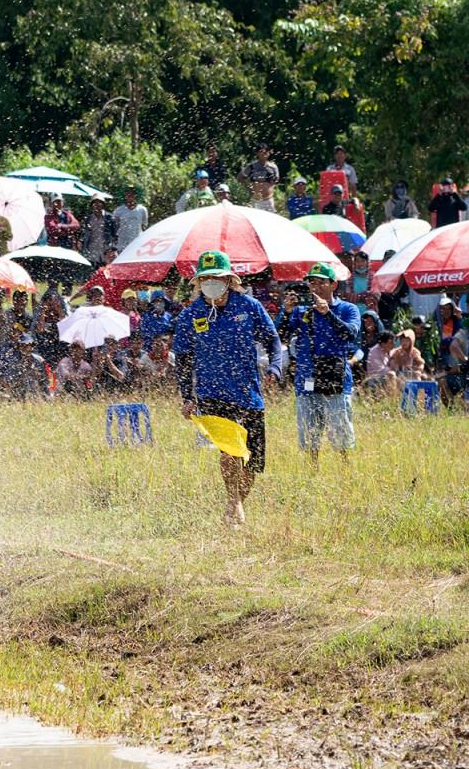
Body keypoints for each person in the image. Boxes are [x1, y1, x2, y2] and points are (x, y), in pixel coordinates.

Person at [173, 250, 283, 527]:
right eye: (205, 278)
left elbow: (273, 341)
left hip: (248, 394)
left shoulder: (249, 307)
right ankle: (233, 502)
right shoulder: (191, 314)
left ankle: (233, 507)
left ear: (230, 280)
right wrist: (187, 396)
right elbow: (183, 360)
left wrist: (275, 368)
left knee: (252, 461)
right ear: (198, 282)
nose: (211, 282)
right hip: (212, 395)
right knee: (229, 451)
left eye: (217, 277)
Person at [277, 263, 361, 462]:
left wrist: (328, 314)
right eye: (312, 282)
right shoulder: (301, 312)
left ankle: (345, 473)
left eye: (321, 282)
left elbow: (351, 334)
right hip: (307, 378)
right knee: (309, 436)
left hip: (336, 379)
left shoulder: (347, 308)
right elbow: (279, 335)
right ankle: (312, 473)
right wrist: (287, 311)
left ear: (333, 285)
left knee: (341, 434)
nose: (315, 287)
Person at [241, 145, 279, 211]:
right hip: (256, 200)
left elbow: (276, 179)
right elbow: (240, 177)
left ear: (269, 153)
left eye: (266, 151)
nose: (264, 152)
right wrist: (249, 188)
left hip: (269, 200)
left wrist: (268, 188)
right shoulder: (251, 166)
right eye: (261, 151)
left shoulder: (273, 167)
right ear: (257, 153)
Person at [111, 187, 148, 252]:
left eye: (132, 193)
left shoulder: (142, 210)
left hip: (137, 241)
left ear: (136, 195)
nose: (130, 195)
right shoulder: (118, 210)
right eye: (128, 193)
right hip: (122, 242)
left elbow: (144, 226)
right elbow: (115, 226)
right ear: (125, 196)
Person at [80, 197, 114, 263]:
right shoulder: (88, 218)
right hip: (92, 248)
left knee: (106, 268)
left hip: (105, 247)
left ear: (103, 205)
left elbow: (114, 233)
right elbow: (84, 233)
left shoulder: (109, 217)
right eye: (95, 203)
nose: (97, 204)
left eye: (99, 202)